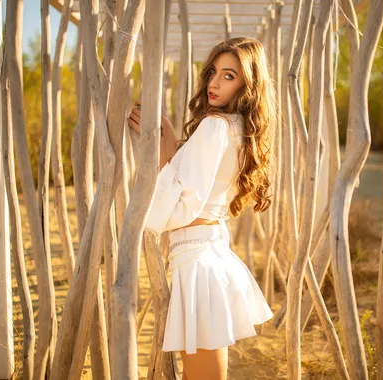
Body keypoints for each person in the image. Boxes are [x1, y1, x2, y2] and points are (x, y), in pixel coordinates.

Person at [127, 37, 276, 380]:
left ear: (247, 83)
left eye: (229, 76)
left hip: (196, 260)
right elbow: (202, 187)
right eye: (213, 72)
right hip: (208, 253)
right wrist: (174, 149)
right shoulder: (239, 128)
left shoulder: (214, 126)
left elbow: (181, 209)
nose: (213, 83)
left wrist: (165, 161)